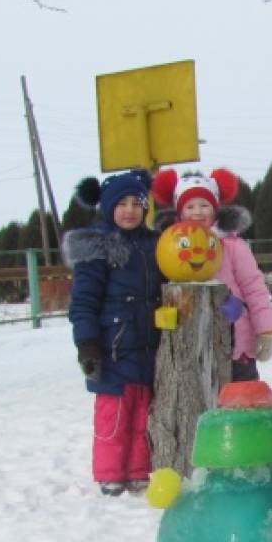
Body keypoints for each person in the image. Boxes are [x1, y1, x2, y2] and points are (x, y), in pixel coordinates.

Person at [64, 169, 164, 497]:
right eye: (121, 203)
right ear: (108, 208)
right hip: (112, 349)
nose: (130, 210)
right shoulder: (98, 248)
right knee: (113, 419)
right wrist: (87, 344)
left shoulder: (153, 246)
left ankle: (137, 471)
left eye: (137, 203)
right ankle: (109, 474)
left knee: (142, 417)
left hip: (148, 348)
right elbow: (83, 302)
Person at [151, 167, 272, 382]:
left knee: (240, 397)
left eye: (204, 205)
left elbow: (254, 287)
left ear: (215, 209)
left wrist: (265, 329)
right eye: (190, 206)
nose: (197, 212)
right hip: (192, 342)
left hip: (236, 341)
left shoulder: (233, 245)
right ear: (180, 213)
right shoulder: (168, 248)